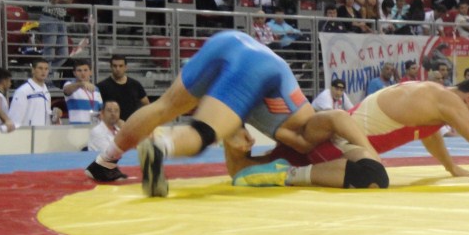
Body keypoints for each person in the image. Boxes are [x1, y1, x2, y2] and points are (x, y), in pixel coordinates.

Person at [86, 31, 385, 196]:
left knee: (163, 106)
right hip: (259, 70)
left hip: (231, 41)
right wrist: (372, 154)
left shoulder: (287, 149)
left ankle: (105, 161)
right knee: (204, 133)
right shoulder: (310, 133)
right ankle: (162, 145)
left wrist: (236, 129)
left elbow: (241, 167)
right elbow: (338, 118)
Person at [227, 78, 469, 189]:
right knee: (373, 177)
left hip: (331, 145)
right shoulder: (444, 99)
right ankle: (282, 172)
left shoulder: (433, 98)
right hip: (332, 146)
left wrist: (449, 167)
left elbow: (427, 133)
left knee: (242, 172)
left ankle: (234, 135)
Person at [39, 0, 79, 76]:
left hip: (61, 19)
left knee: (64, 55)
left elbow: (70, 0)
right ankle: (46, 79)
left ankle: (47, 75)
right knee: (49, 54)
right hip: (49, 17)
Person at [9, 59, 61, 127]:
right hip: (28, 132)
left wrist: (55, 116)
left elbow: (46, 115)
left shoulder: (46, 92)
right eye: (40, 68)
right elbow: (15, 117)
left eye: (46, 69)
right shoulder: (23, 91)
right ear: (33, 70)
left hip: (43, 131)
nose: (43, 71)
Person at [96, 54, 149, 120]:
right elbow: (97, 109)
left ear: (125, 67)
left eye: (121, 66)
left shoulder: (135, 84)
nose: (118, 69)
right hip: (111, 124)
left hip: (132, 124)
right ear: (111, 67)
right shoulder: (102, 86)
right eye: (115, 66)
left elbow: (147, 104)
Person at [63, 60, 103, 124]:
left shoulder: (96, 89)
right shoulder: (70, 85)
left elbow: (100, 108)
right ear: (74, 73)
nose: (83, 73)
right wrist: (81, 84)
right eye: (79, 70)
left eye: (85, 70)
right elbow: (66, 90)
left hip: (93, 127)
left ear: (90, 72)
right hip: (77, 128)